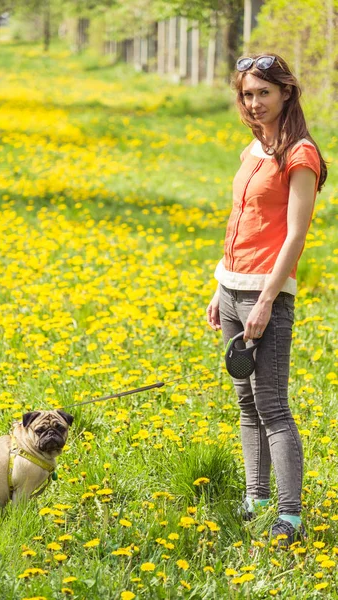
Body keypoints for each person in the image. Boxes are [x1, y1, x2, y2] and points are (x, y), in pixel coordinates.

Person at [206, 54, 327, 546]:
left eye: (263, 94)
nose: (254, 103)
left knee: (272, 406)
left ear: (286, 95)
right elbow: (241, 225)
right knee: (246, 405)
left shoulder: (299, 154)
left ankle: (291, 517)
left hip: (266, 297)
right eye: (247, 94)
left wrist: (265, 300)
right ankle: (256, 500)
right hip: (234, 289)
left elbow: (295, 237)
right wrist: (221, 286)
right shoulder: (252, 150)